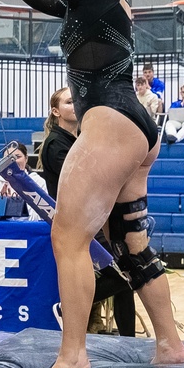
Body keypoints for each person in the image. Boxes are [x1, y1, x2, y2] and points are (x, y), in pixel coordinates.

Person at [0, 0, 184, 368]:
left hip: (111, 118)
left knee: (68, 238)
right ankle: (169, 344)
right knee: (131, 245)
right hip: (133, 126)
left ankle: (73, 354)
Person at [37, 86, 136, 337]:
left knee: (126, 278)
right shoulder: (55, 144)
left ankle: (128, 340)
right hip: (77, 223)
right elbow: (78, 182)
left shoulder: (78, 139)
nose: (76, 105)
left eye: (77, 101)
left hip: (92, 217)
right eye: (69, 102)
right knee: (122, 277)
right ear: (56, 111)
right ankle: (66, 307)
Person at [0, 140, 48, 221]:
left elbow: (41, 217)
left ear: (26, 158)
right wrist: (1, 205)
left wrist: (15, 206)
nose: (13, 161)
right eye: (8, 158)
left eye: (17, 157)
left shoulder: (38, 182)